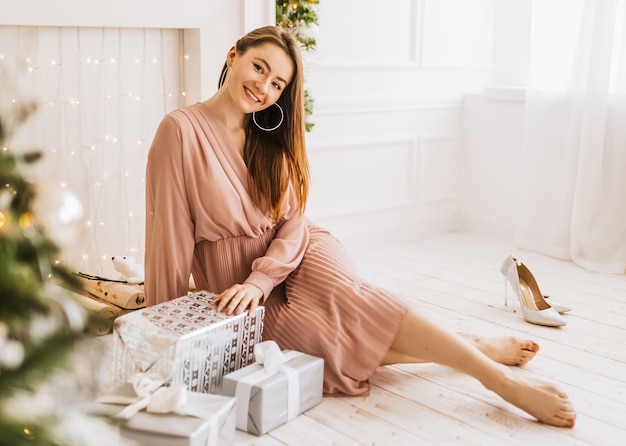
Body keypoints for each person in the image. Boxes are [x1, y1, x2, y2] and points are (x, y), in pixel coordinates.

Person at [144, 25, 576, 428]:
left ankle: (499, 383)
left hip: (299, 251)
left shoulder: (268, 133)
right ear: (233, 55)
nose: (264, 87)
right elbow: (168, 237)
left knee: (356, 302)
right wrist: (162, 334)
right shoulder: (179, 131)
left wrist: (263, 279)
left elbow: (293, 220)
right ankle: (466, 343)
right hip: (237, 287)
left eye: (278, 84)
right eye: (259, 68)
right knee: (323, 347)